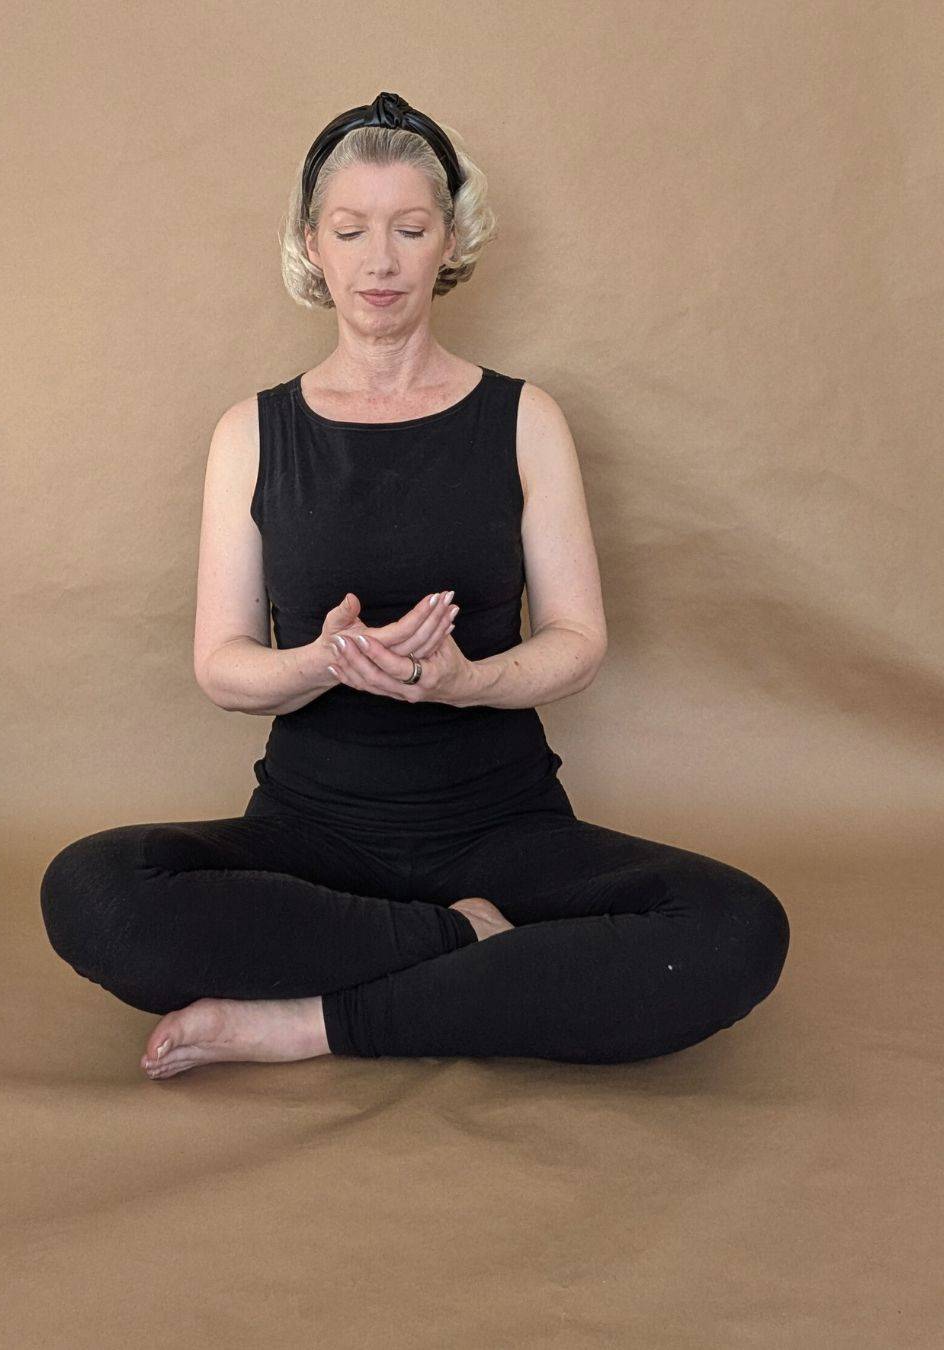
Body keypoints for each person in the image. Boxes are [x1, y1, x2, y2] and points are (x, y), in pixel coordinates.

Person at [40, 91, 790, 1079]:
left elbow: (579, 640)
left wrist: (459, 682)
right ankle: (461, 946)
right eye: (351, 230)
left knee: (737, 929)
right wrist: (320, 661)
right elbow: (222, 669)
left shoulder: (526, 419)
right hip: (309, 841)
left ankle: (307, 1023)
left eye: (409, 228)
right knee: (91, 889)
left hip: (500, 828)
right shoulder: (250, 434)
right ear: (313, 245)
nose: (380, 260)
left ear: (450, 241)